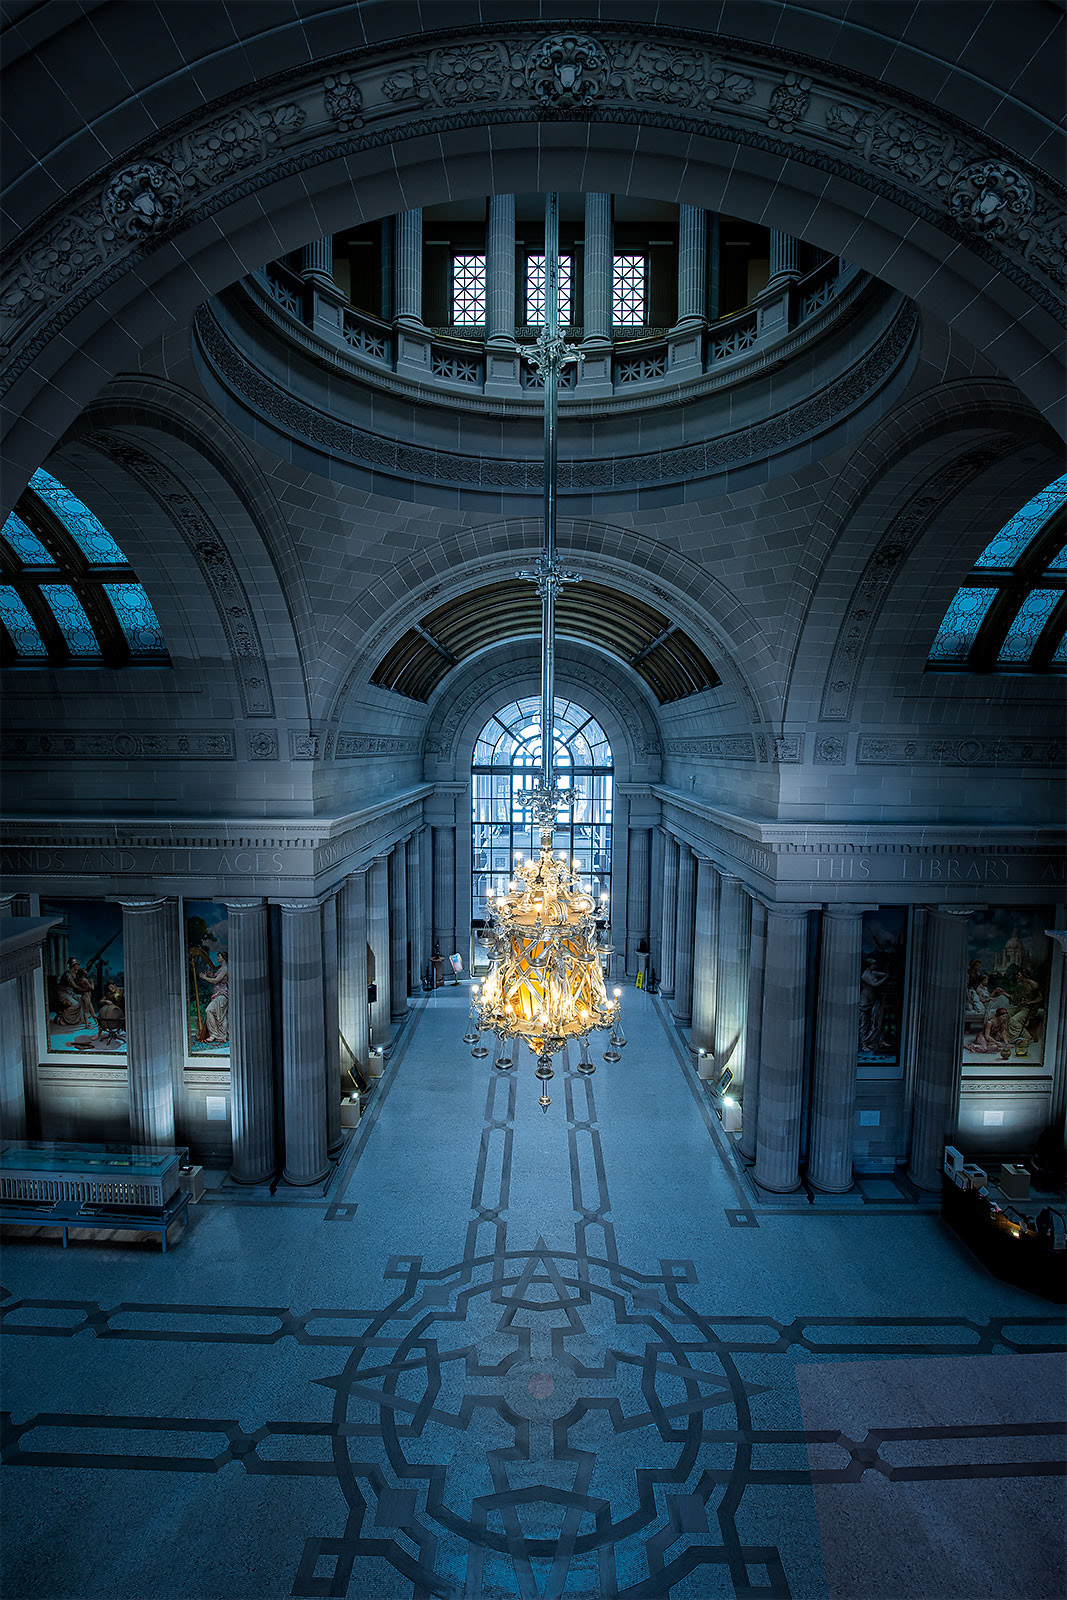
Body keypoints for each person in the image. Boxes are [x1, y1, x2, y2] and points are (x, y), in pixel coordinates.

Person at [198, 951, 229, 1043]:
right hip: (217, 995)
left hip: (222, 994)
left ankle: (218, 1035)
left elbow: (216, 981)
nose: (217, 958)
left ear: (223, 958)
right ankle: (216, 1034)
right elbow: (217, 978)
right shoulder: (221, 969)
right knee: (216, 1014)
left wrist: (205, 977)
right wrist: (211, 975)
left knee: (215, 1013)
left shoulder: (224, 969)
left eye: (219, 956)